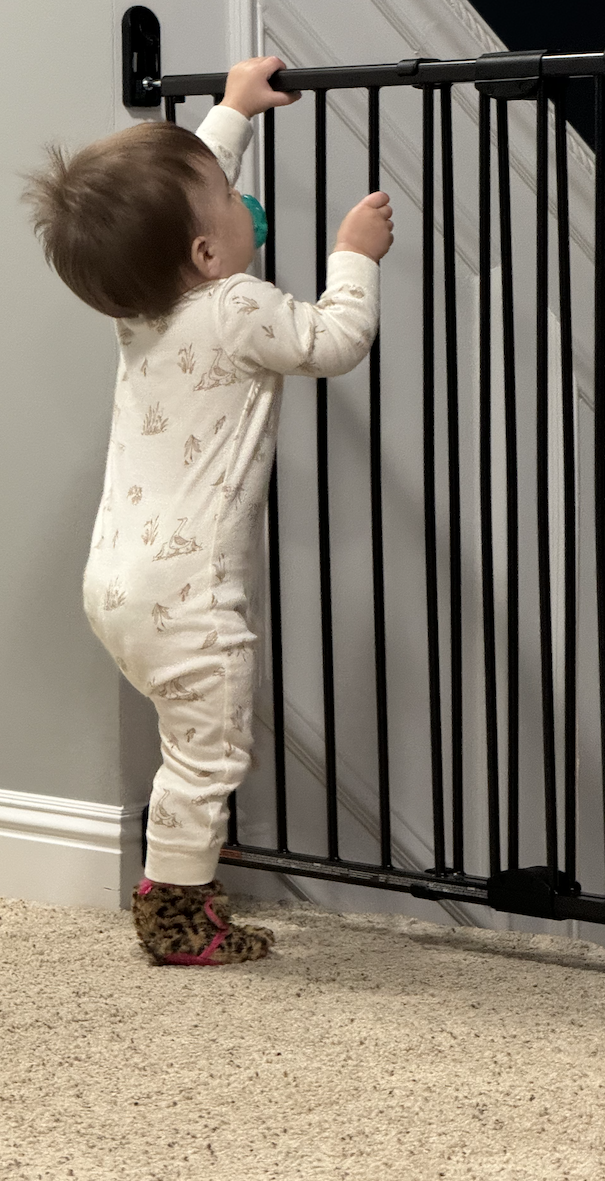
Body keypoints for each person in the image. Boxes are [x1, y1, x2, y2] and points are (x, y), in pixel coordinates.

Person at [21, 56, 393, 966]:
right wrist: (354, 255)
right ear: (206, 254)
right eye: (227, 193)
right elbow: (335, 340)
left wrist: (230, 112)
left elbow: (178, 199)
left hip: (117, 583)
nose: (237, 196)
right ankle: (174, 912)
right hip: (188, 597)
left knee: (188, 741)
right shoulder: (235, 305)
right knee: (209, 757)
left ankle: (184, 876)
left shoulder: (140, 307)